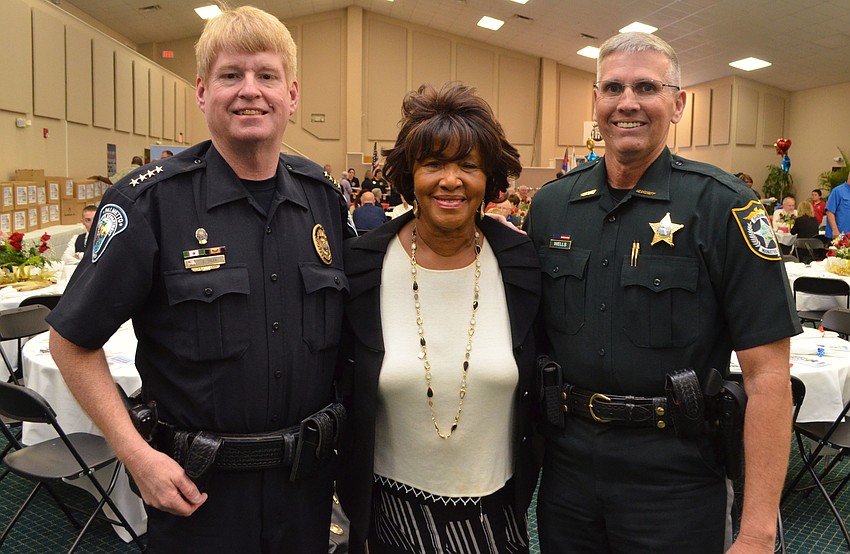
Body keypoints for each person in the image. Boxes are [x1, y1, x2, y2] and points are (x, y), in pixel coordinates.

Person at [47, 6, 352, 552]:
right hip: (198, 496)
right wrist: (136, 457)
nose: (250, 91)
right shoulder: (148, 204)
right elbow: (71, 344)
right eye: (231, 75)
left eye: (267, 75)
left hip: (305, 493)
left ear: (292, 95)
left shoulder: (324, 201)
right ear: (202, 92)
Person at [526, 32, 800, 553]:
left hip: (676, 475)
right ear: (596, 101)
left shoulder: (723, 206)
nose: (627, 102)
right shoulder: (552, 206)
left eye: (647, 87)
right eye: (613, 88)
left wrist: (758, 532)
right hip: (568, 471)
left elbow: (768, 377)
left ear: (677, 104)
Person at [338, 82, 541, 554]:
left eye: (468, 166)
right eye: (433, 164)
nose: (451, 180)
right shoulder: (363, 264)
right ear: (409, 176)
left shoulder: (521, 263)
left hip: (498, 513)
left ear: (489, 178)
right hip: (393, 515)